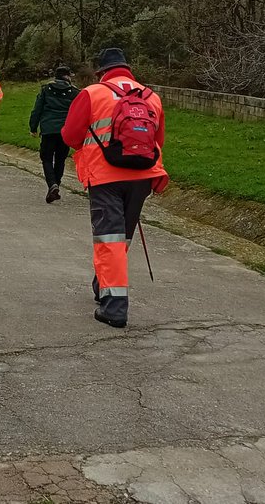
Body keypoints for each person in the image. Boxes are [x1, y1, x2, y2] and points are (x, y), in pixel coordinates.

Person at [61, 48, 168, 329]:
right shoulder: (151, 96)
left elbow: (70, 136)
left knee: (109, 239)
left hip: (105, 175)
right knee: (121, 239)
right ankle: (103, 284)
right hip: (143, 175)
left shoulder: (92, 93)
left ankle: (115, 308)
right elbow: (158, 140)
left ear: (101, 72)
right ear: (128, 70)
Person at [30, 65, 80, 203]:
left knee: (46, 158)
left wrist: (33, 127)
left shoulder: (46, 89)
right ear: (67, 76)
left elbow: (37, 109)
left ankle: (52, 184)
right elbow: (78, 113)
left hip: (48, 129)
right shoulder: (75, 92)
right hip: (65, 130)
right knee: (60, 159)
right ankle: (56, 184)